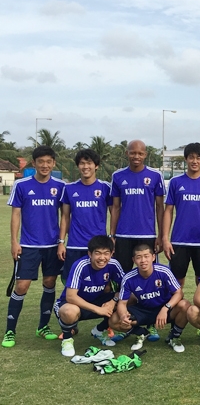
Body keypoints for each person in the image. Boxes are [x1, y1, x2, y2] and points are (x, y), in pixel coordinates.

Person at [3, 145, 65, 348]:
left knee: (49, 283)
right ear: (34, 163)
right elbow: (16, 215)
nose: (45, 165)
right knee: (22, 286)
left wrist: (62, 242)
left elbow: (65, 215)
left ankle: (43, 327)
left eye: (48, 162)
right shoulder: (21, 185)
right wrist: (14, 242)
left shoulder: (60, 186)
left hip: (52, 246)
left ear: (53, 163)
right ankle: (10, 331)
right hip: (28, 245)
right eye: (41, 162)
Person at [109, 243, 191, 353]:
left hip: (164, 308)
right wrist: (124, 316)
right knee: (114, 320)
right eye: (139, 257)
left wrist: (165, 308)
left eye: (146, 256)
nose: (143, 260)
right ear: (134, 260)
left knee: (185, 305)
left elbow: (179, 293)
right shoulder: (128, 278)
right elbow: (122, 303)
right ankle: (141, 332)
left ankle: (174, 337)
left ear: (153, 257)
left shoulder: (163, 271)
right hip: (143, 310)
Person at [54, 235, 124, 357]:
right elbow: (71, 296)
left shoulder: (113, 264)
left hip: (97, 300)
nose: (102, 258)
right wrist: (98, 309)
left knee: (128, 300)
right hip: (72, 303)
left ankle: (99, 331)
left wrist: (113, 301)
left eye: (106, 253)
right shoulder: (80, 265)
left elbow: (126, 287)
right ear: (90, 254)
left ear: (112, 253)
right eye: (98, 253)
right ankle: (67, 339)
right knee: (70, 311)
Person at [162, 142, 200, 288]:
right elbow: (168, 210)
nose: (195, 161)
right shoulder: (176, 182)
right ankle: (176, 310)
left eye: (198, 158)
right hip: (179, 241)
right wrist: (165, 238)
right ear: (186, 159)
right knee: (177, 281)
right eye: (191, 157)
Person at [58, 149, 113, 283]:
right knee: (70, 282)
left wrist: (111, 237)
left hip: (98, 246)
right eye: (82, 163)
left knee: (99, 283)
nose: (85, 167)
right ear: (78, 166)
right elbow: (65, 217)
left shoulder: (106, 187)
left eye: (89, 163)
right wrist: (61, 242)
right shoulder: (69, 188)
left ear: (96, 166)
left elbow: (114, 213)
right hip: (75, 245)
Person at [110, 139, 165, 272]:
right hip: (123, 235)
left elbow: (159, 207)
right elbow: (115, 207)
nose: (136, 156)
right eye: (133, 153)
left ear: (145, 154)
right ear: (126, 153)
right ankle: (120, 294)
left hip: (147, 235)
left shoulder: (156, 176)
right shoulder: (117, 176)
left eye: (140, 153)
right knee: (121, 274)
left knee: (148, 272)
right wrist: (112, 235)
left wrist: (161, 235)